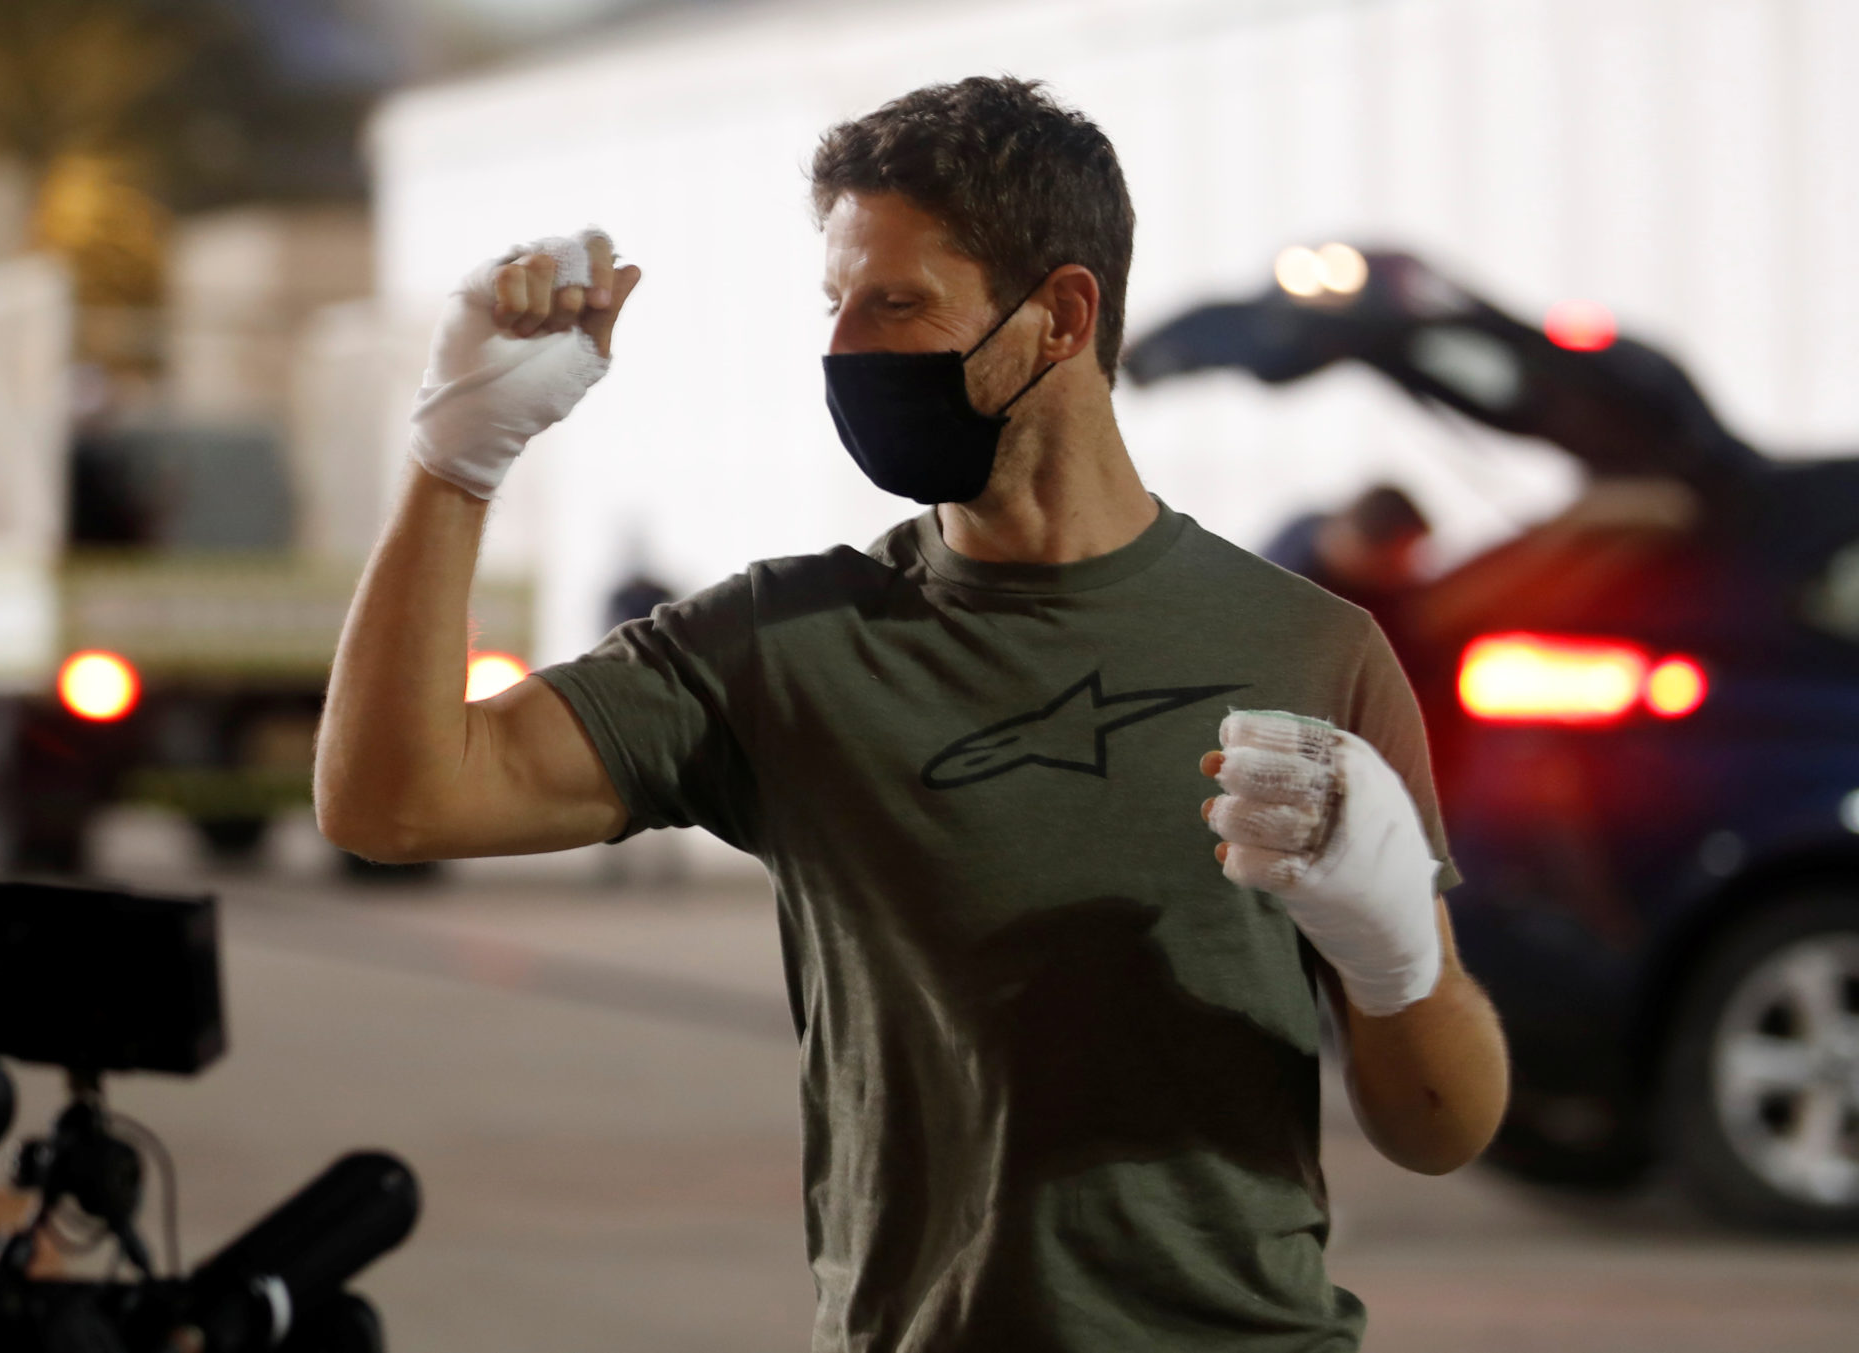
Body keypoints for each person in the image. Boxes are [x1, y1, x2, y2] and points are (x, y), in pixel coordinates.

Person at [315, 77, 1508, 1352]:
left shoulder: (1308, 648)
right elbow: (391, 801)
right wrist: (454, 463)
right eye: (834, 305)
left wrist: (1396, 959)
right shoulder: (785, 646)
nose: (845, 351)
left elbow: (1442, 1131)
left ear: (1059, 315)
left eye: (897, 304)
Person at [1261, 484, 1430, 642]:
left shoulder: (1316, 524)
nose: (1412, 568)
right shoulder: (1297, 606)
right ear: (1370, 553)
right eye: (1403, 558)